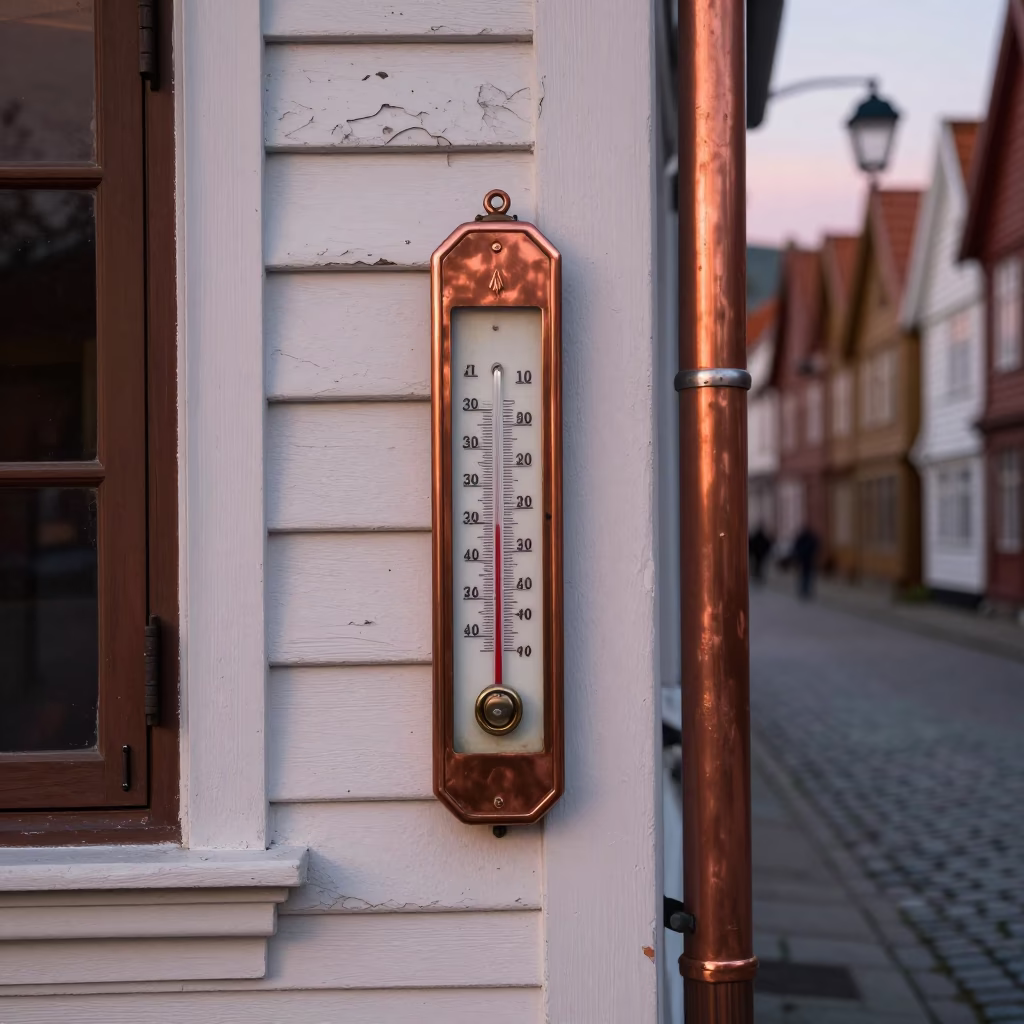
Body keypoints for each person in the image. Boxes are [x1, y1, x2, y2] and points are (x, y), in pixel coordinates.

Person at [792, 523, 820, 599]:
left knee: (806, 576)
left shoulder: (804, 538)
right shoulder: (808, 538)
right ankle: (805, 590)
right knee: (806, 576)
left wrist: (798, 555)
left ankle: (804, 590)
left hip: (806, 560)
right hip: (807, 560)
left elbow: (796, 548)